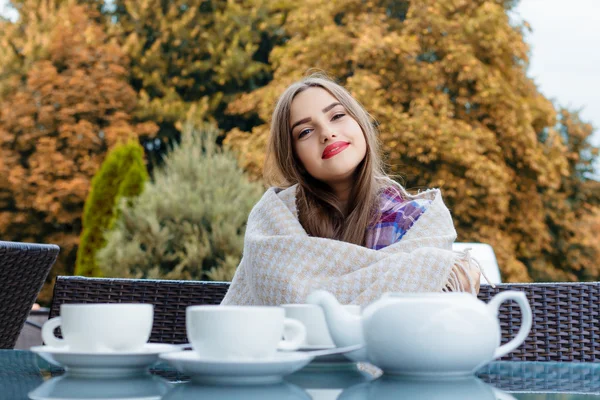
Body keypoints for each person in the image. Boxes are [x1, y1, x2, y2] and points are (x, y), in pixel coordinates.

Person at [221, 74, 484, 306]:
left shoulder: (415, 219)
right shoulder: (277, 222)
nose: (326, 133)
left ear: (360, 123)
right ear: (294, 156)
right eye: (305, 132)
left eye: (337, 116)